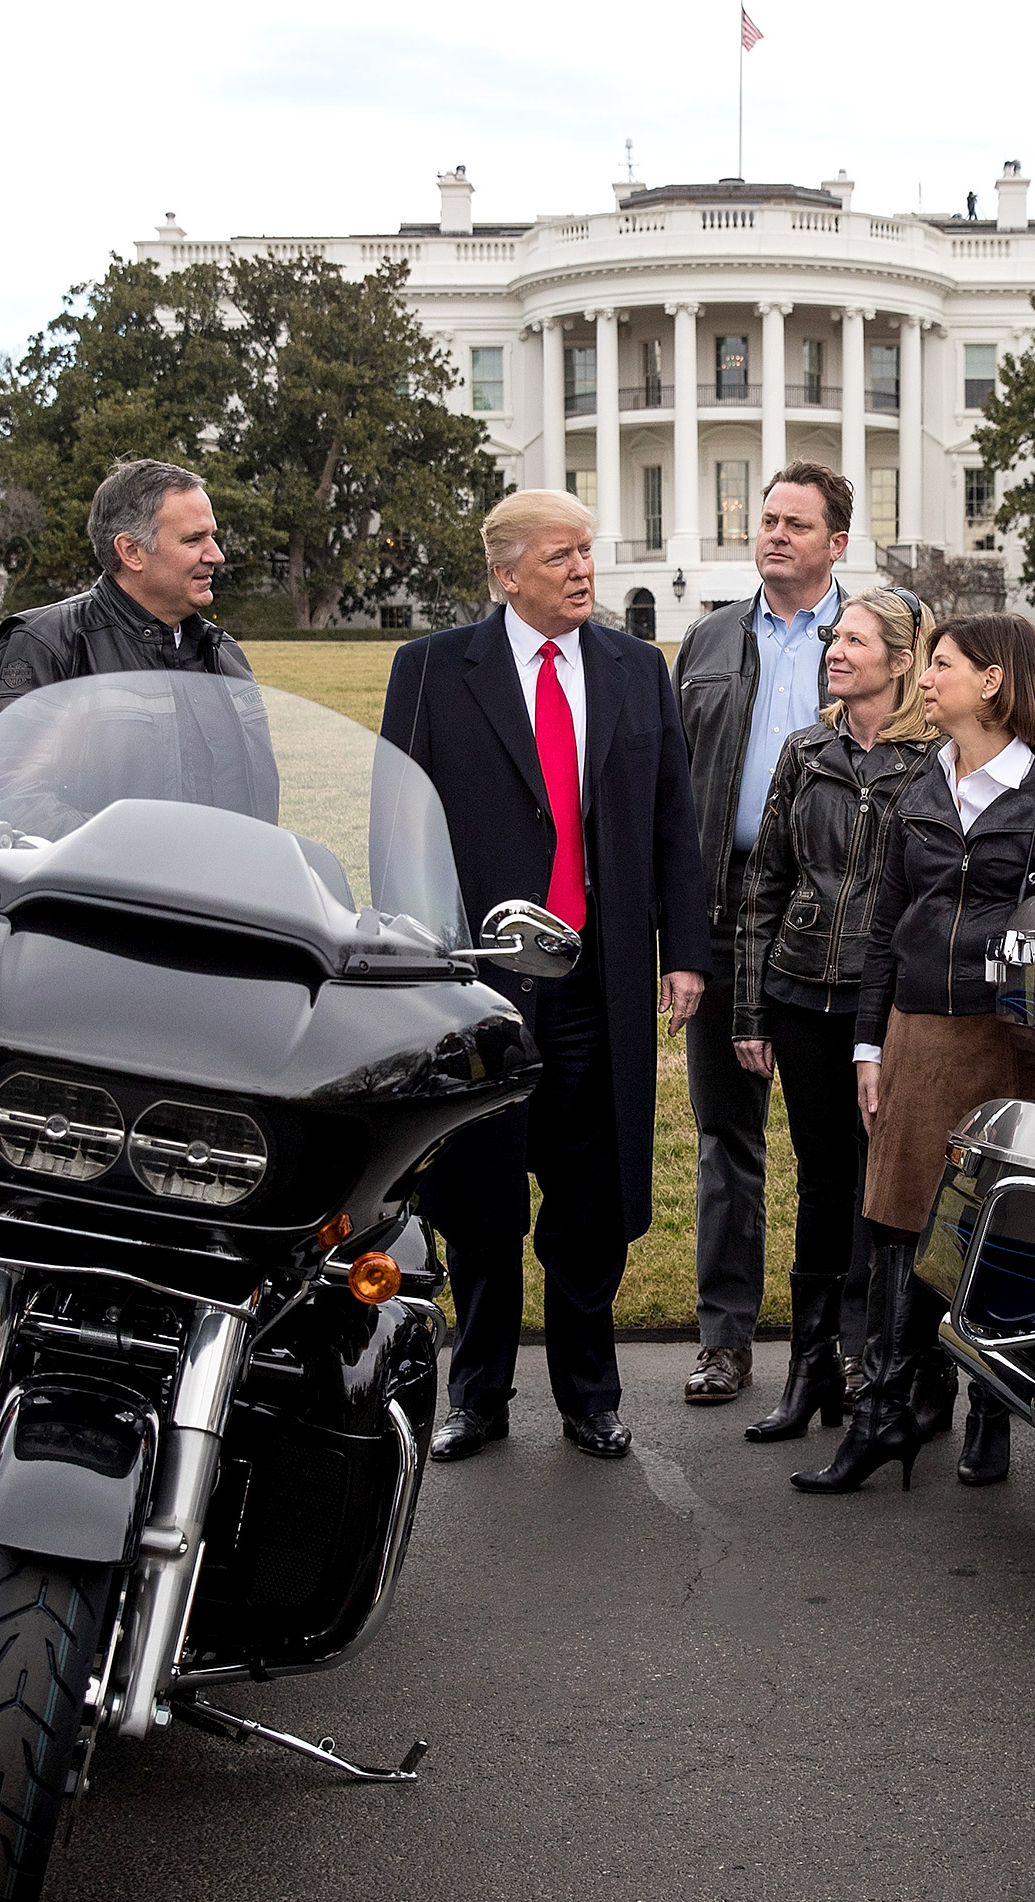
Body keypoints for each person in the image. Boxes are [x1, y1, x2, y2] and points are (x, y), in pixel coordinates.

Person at [381, 490, 709, 1464]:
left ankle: (590, 1394)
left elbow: (670, 823)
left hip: (595, 984)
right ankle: (476, 1394)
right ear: (507, 572)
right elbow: (398, 828)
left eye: (587, 553)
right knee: (479, 1198)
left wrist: (683, 949)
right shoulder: (435, 668)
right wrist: (411, 965)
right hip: (477, 988)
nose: (583, 571)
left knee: (588, 1196)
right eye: (561, 555)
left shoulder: (634, 669)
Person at [797, 613, 1035, 1494]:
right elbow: (886, 927)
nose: (926, 678)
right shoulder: (918, 786)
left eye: (944, 665)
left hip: (1010, 1042)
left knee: (992, 1231)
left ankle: (989, 1413)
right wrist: (866, 1042)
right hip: (918, 1034)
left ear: (994, 681)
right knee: (897, 1225)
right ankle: (889, 1413)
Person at [727, 586, 942, 1442]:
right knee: (820, 1180)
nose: (835, 651)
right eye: (834, 640)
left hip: (882, 1000)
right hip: (798, 991)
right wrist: (749, 1011)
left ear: (899, 660)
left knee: (881, 1185)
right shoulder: (805, 750)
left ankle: (871, 1359)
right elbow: (763, 886)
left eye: (855, 640)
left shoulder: (930, 761)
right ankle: (809, 1366)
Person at [672, 463, 848, 1406]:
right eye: (766, 519)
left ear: (837, 545)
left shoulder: (878, 640)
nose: (774, 534)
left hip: (835, 910)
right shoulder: (707, 639)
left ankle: (842, 1339)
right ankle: (725, 1337)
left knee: (842, 1140)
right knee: (725, 1132)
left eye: (796, 523)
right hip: (725, 901)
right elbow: (671, 792)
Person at [0, 460, 253, 720]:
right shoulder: (49, 643)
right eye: (193, 539)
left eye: (212, 537)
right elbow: (22, 762)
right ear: (131, 552)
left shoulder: (222, 650)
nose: (216, 556)